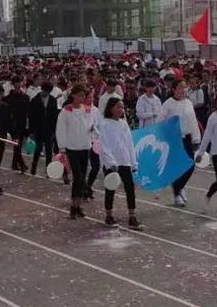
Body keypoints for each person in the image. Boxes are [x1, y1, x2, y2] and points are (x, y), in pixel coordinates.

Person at [99, 97, 142, 230]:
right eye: (118, 106)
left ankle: (132, 215)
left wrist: (133, 162)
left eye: (122, 107)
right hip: (111, 163)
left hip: (124, 161)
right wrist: (110, 162)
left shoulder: (123, 124)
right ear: (111, 108)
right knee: (110, 188)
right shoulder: (104, 124)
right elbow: (104, 144)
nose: (120, 109)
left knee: (130, 187)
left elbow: (129, 143)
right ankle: (109, 214)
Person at [157, 79, 200, 207]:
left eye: (185, 87)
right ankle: (177, 195)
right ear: (174, 89)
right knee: (177, 167)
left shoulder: (188, 103)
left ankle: (180, 187)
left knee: (190, 166)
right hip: (173, 139)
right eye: (180, 87)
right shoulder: (168, 104)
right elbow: (160, 122)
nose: (183, 90)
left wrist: (196, 138)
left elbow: (193, 121)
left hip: (186, 138)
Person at [56, 84, 95, 219]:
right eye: (79, 95)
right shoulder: (66, 111)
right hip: (72, 148)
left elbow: (91, 126)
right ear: (73, 95)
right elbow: (60, 129)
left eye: (83, 96)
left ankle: (78, 205)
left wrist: (92, 131)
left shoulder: (88, 110)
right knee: (77, 177)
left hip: (85, 147)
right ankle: (73, 206)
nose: (82, 98)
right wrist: (62, 147)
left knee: (82, 178)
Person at [28, 82, 59, 176]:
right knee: (38, 148)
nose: (46, 93)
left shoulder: (53, 100)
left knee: (49, 150)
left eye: (48, 92)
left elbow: (54, 116)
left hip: (49, 128)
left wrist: (54, 130)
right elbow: (31, 116)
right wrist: (31, 130)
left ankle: (48, 170)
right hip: (38, 128)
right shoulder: (35, 100)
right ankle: (33, 167)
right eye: (45, 91)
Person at [5, 76, 30, 173]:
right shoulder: (8, 98)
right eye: (16, 82)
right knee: (17, 145)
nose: (18, 85)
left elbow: (28, 112)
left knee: (18, 145)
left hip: (22, 124)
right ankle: (22, 164)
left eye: (19, 82)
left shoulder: (25, 97)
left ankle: (14, 163)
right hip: (12, 124)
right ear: (13, 84)